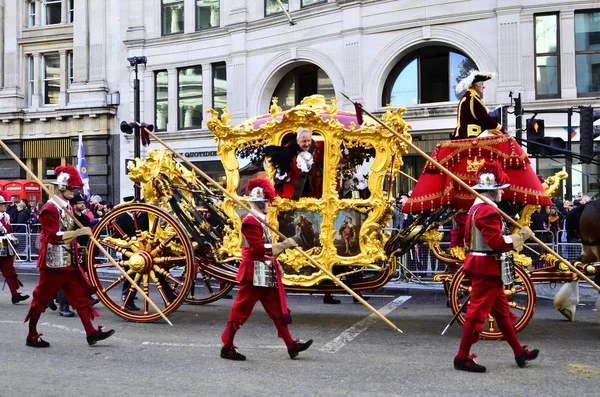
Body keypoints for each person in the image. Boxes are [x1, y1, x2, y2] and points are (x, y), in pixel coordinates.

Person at [454, 162, 538, 373]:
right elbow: (497, 242)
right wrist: (520, 236)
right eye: (500, 188)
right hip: (487, 267)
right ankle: (462, 357)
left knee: (501, 313)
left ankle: (519, 352)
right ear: (491, 190)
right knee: (475, 313)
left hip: (487, 265)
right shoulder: (487, 211)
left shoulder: (478, 208)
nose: (503, 191)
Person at [220, 178, 312, 361]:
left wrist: (277, 254)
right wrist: (283, 245)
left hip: (265, 268)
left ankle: (291, 345)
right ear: (259, 203)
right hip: (254, 270)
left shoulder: (262, 220)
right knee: (241, 310)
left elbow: (266, 249)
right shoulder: (250, 222)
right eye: (267, 202)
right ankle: (227, 347)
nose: (269, 206)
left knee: (277, 309)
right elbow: (257, 249)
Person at [24, 165, 115, 348]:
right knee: (40, 300)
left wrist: (79, 244)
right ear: (62, 189)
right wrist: (78, 232)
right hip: (52, 263)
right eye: (73, 188)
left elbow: (68, 233)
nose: (76, 192)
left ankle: (91, 334)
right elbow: (52, 237)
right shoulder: (50, 209)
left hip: (68, 260)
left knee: (80, 297)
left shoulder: (67, 208)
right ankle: (32, 335)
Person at [265, 127, 324, 200]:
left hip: (311, 194)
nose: (307, 144)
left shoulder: (315, 150)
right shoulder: (288, 151)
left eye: (309, 141)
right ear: (297, 140)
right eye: (304, 141)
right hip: (290, 194)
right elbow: (284, 171)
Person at [452, 70, 505, 140]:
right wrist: (501, 129)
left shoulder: (468, 96)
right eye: (482, 84)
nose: (484, 87)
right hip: (471, 136)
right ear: (476, 85)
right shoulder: (472, 98)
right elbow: (485, 119)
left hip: (463, 134)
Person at [0, 191, 29, 304]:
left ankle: (15, 294)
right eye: (2, 204)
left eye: (5, 204)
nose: (5, 206)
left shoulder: (6, 216)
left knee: (10, 272)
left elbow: (9, 230)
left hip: (6, 246)